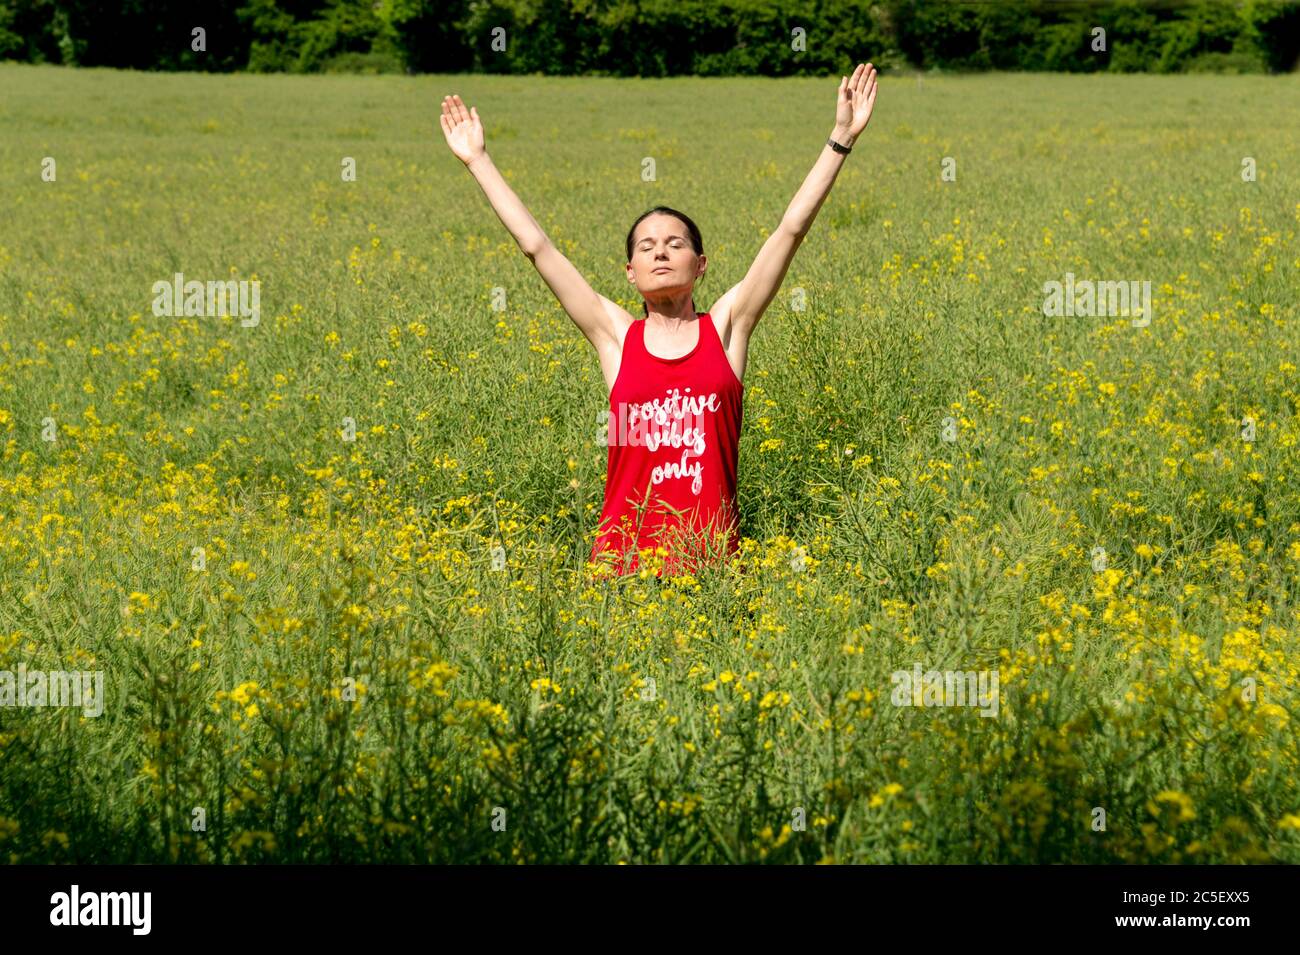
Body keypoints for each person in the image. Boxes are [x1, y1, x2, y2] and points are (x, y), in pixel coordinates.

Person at [438, 62, 880, 578]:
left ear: (701, 264)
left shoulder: (727, 328)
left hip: (713, 574)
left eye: (676, 244)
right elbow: (537, 248)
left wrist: (841, 138)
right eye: (646, 247)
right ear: (630, 272)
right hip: (620, 572)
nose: (661, 252)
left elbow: (790, 230)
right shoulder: (616, 338)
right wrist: (478, 160)